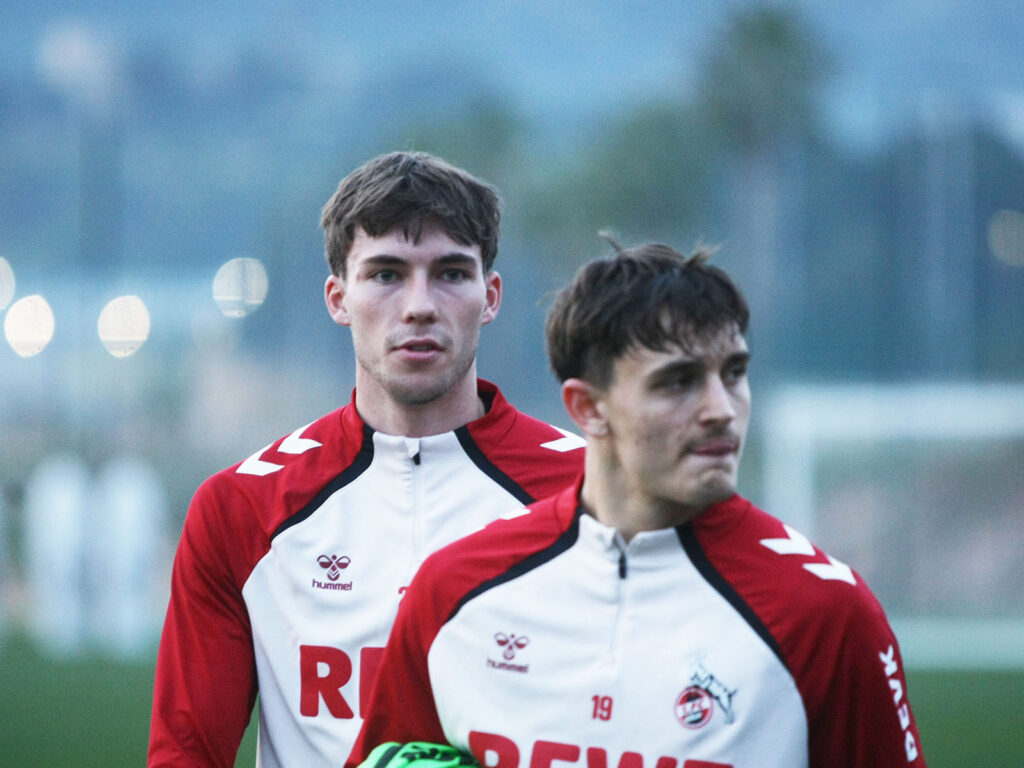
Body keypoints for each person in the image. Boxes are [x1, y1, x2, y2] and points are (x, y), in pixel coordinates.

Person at [349, 238, 926, 768]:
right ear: (587, 408)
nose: (721, 408)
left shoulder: (826, 614)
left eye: (734, 373)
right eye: (678, 382)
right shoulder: (454, 589)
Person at [147, 151, 585, 768]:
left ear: (490, 297)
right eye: (385, 274)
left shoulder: (594, 491)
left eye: (451, 274)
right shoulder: (241, 509)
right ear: (337, 298)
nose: (419, 306)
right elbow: (186, 754)